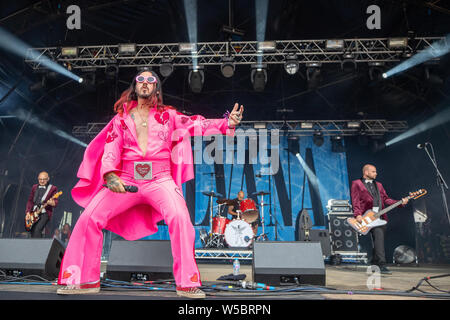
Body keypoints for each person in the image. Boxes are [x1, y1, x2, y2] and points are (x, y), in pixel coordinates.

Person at [56, 69, 243, 298]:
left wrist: (226, 124)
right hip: (126, 179)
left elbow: (197, 124)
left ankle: (187, 283)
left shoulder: (169, 116)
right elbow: (111, 149)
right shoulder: (121, 119)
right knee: (88, 218)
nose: (145, 83)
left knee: (181, 218)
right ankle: (82, 280)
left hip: (160, 178)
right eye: (140, 80)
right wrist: (109, 175)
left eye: (150, 80)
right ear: (135, 86)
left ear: (156, 87)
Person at [350, 164, 408, 274]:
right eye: (373, 171)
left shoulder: (379, 185)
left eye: (376, 171)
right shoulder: (356, 183)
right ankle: (381, 264)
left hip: (379, 216)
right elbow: (355, 200)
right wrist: (357, 214)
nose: (376, 173)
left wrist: (400, 202)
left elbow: (386, 200)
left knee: (378, 240)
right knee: (378, 240)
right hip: (365, 217)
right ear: (366, 172)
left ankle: (375, 264)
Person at [25, 171, 59, 238]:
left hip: (45, 212)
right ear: (38, 179)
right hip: (34, 212)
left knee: (38, 229)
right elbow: (30, 201)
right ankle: (33, 245)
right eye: (40, 179)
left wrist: (52, 203)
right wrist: (28, 212)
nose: (42, 181)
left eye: (44, 179)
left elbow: (55, 201)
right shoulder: (34, 187)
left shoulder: (53, 188)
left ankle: (37, 247)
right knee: (32, 230)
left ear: (48, 179)